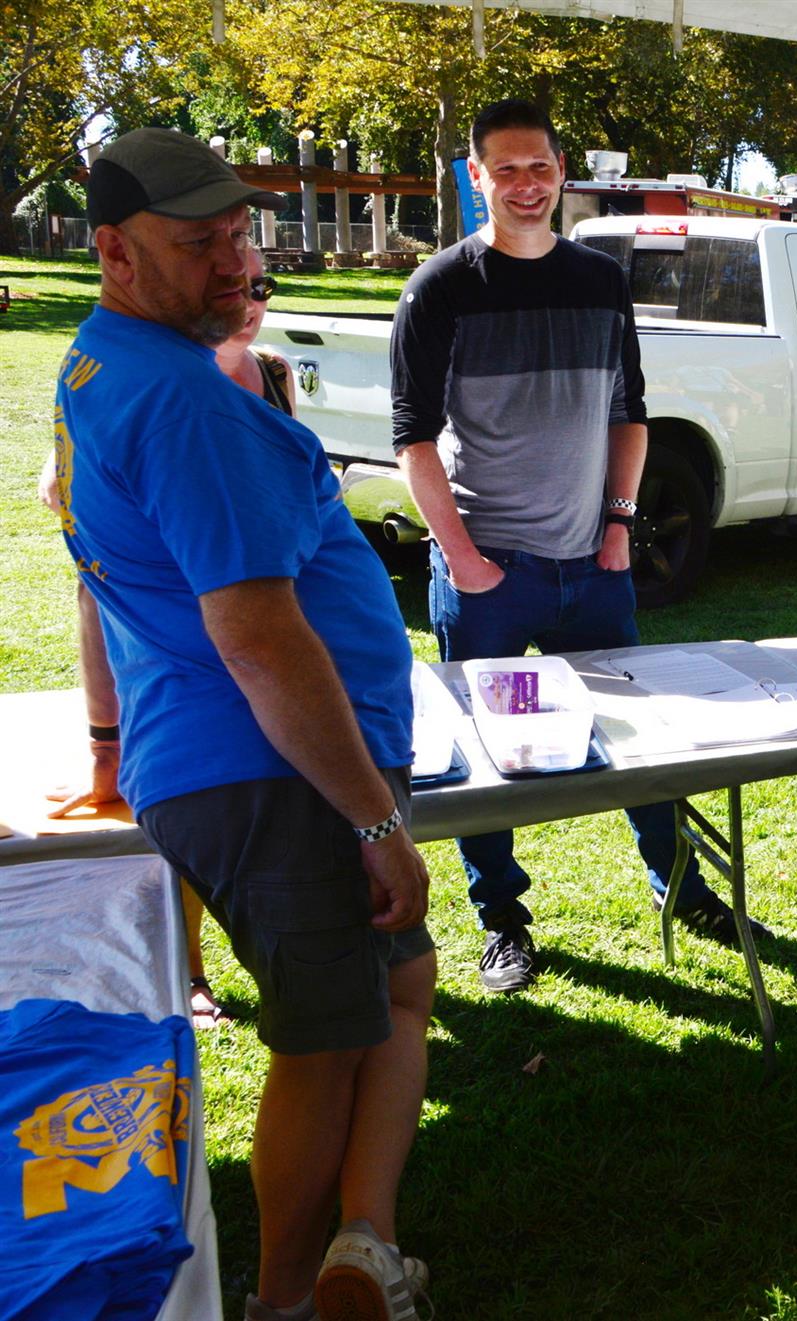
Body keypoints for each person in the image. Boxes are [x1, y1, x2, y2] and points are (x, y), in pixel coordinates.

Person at [61, 127, 434, 1321]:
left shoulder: (104, 362)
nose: (234, 261)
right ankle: (283, 1302)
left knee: (397, 990)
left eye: (238, 233)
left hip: (252, 757)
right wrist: (371, 819)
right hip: (276, 770)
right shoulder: (183, 401)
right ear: (115, 254)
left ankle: (363, 1246)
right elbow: (260, 638)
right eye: (197, 244)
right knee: (322, 1042)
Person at [391, 99, 760, 995]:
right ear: (475, 177)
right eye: (506, 170)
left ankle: (683, 889)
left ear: (562, 173)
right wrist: (464, 560)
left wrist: (620, 525)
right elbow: (413, 440)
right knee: (484, 757)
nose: (526, 185)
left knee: (643, 740)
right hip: (489, 578)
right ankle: (502, 921)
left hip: (592, 570)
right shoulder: (441, 287)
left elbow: (630, 414)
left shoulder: (599, 280)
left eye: (540, 168)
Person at [38, 246, 294, 1032]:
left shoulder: (273, 375)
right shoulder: (146, 383)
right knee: (187, 812)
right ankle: (188, 971)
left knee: (273, 825)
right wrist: (103, 744)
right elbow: (92, 584)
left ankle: (296, 964)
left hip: (260, 647)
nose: (248, 301)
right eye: (231, 283)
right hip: (174, 658)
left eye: (260, 285)